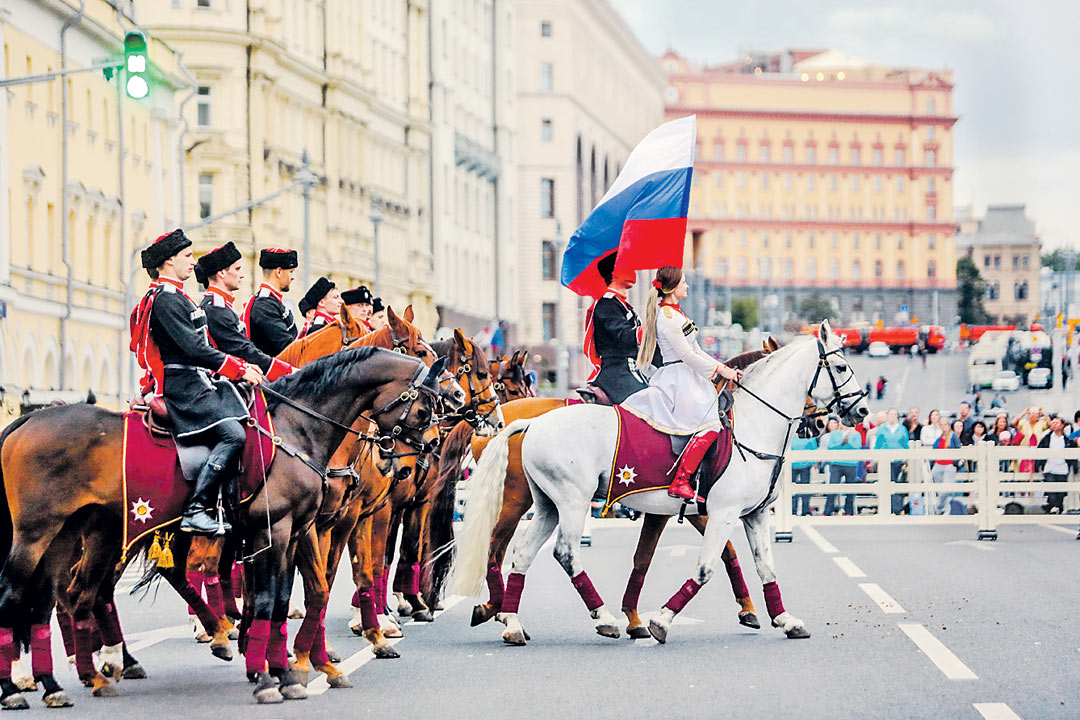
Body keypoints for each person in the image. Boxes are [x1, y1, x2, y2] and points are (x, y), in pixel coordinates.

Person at [131, 229, 264, 535]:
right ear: (169, 261)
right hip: (183, 386)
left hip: (197, 381)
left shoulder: (177, 296)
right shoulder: (165, 299)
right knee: (233, 434)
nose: (193, 263)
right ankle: (196, 509)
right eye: (187, 257)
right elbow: (194, 349)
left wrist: (241, 368)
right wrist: (237, 369)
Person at [621, 266, 742, 502]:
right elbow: (686, 355)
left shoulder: (677, 315)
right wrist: (720, 369)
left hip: (687, 375)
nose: (687, 286)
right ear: (674, 288)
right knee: (710, 425)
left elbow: (697, 351)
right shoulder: (666, 317)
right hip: (678, 377)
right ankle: (681, 480)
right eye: (684, 283)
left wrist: (722, 368)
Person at [195, 242, 294, 382]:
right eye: (237, 269)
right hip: (224, 382)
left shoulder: (221, 305)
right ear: (222, 272)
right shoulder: (216, 308)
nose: (241, 276)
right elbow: (243, 350)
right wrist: (288, 371)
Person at [582, 253, 657, 405]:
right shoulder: (607, 304)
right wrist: (651, 327)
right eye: (627, 267)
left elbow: (644, 347)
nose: (633, 271)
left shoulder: (621, 304)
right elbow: (624, 337)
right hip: (617, 373)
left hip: (629, 370)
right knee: (650, 404)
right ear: (614, 273)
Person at [241, 247, 299, 357]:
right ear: (279, 272)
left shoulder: (271, 301)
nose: (293, 277)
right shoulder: (264, 305)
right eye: (291, 272)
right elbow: (287, 346)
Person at [1036, 416, 1076, 514]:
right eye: (1053, 423)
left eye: (1056, 423)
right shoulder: (1047, 437)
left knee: (1061, 491)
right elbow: (1040, 450)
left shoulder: (1067, 440)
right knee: (1050, 488)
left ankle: (1057, 507)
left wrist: (1074, 466)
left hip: (1062, 468)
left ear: (1062, 426)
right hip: (1049, 467)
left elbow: (1072, 454)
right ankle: (1053, 505)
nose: (1054, 425)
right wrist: (1038, 465)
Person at [874, 408, 909, 515]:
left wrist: (906, 457)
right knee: (886, 484)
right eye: (891, 414)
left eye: (895, 414)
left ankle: (897, 509)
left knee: (897, 485)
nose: (893, 416)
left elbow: (905, 444)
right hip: (886, 461)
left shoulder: (902, 429)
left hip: (899, 461)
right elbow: (878, 444)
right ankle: (887, 509)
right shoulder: (882, 428)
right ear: (887, 416)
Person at [823, 418, 861, 516]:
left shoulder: (856, 434)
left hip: (851, 463)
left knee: (850, 489)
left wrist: (846, 443)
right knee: (833, 487)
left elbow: (856, 447)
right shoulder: (835, 433)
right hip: (836, 463)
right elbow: (831, 447)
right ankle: (827, 511)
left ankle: (849, 511)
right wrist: (842, 443)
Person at [931, 417, 962, 515]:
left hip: (949, 464)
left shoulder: (953, 436)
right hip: (938, 463)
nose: (944, 427)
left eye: (945, 425)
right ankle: (945, 508)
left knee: (946, 489)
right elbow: (934, 447)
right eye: (942, 425)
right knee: (939, 488)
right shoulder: (940, 437)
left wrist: (955, 462)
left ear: (949, 426)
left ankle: (940, 507)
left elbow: (958, 448)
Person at [790, 432, 817, 517]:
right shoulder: (791, 435)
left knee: (805, 488)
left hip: (805, 465)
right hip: (792, 465)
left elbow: (814, 449)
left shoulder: (809, 435)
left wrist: (813, 462)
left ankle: (806, 510)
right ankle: (793, 510)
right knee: (792, 490)